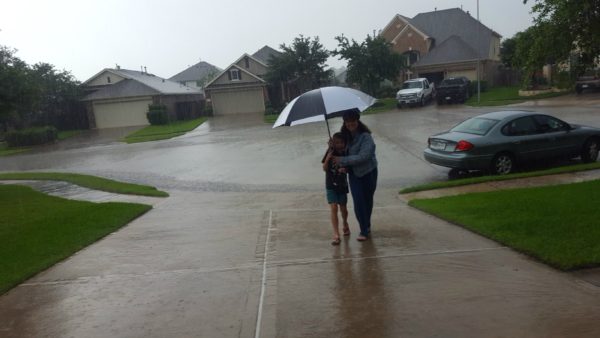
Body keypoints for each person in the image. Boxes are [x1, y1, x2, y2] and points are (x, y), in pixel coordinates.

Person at [333, 110, 378, 242]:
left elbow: (364, 156)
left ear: (357, 121)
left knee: (367, 201)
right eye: (347, 122)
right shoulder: (345, 137)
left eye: (352, 121)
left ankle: (367, 225)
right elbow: (340, 151)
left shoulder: (366, 137)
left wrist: (342, 161)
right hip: (354, 175)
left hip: (369, 172)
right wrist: (334, 146)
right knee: (358, 202)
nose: (350, 124)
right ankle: (363, 229)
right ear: (345, 123)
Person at [322, 132, 350, 245]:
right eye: (337, 142)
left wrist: (345, 170)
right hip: (330, 185)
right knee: (333, 207)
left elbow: (350, 167)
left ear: (344, 143)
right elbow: (324, 168)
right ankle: (336, 234)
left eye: (341, 142)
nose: (339, 145)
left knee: (343, 208)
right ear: (333, 142)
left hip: (342, 184)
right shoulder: (329, 151)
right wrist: (328, 158)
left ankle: (345, 223)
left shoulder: (346, 153)